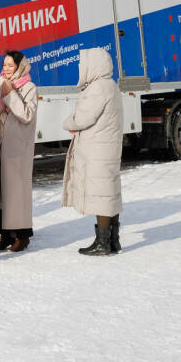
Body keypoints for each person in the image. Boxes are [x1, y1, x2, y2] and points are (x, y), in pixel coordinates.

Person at [62, 47, 124, 256]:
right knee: (109, 194)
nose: (82, 68)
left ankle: (103, 243)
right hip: (107, 147)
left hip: (97, 149)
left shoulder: (98, 88)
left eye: (83, 64)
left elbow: (83, 119)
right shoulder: (111, 86)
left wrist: (68, 122)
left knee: (101, 196)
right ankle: (113, 241)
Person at [0, 50, 38, 253]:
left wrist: (10, 93)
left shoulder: (29, 87)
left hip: (17, 149)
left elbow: (26, 114)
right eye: (4, 65)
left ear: (19, 67)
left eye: (10, 66)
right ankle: (4, 235)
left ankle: (22, 236)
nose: (5, 69)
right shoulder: (0, 85)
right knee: (1, 192)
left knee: (16, 193)